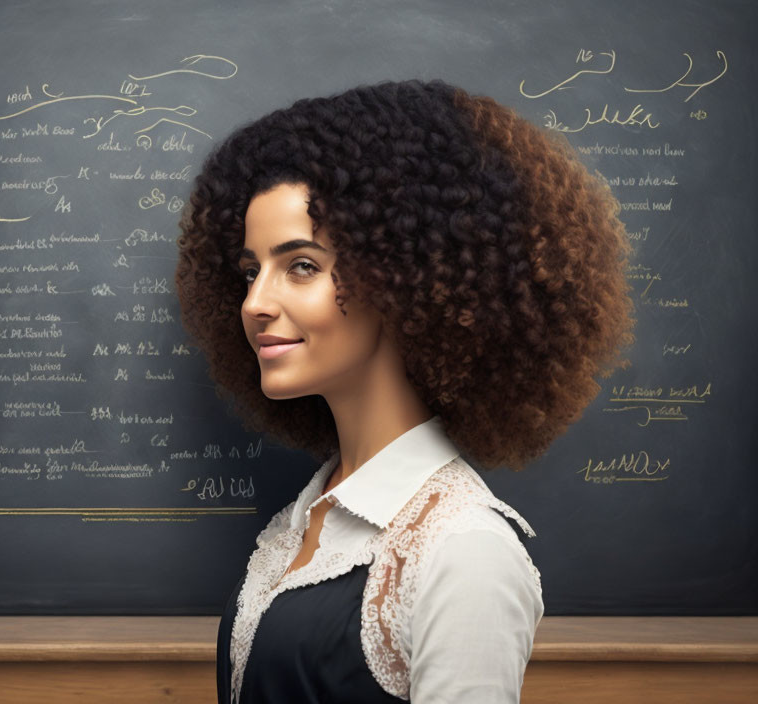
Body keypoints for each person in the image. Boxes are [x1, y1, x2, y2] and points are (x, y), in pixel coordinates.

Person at [175, 79, 634, 703]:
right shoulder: (307, 516)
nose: (254, 303)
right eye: (252, 271)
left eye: (301, 266)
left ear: (400, 275)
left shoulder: (463, 551)